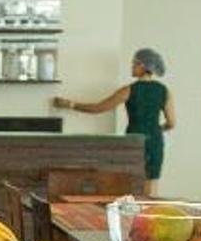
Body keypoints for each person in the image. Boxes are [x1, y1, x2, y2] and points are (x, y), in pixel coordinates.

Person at [54, 49, 174, 188]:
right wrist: (156, 129)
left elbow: (98, 108)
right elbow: (171, 123)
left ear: (142, 66)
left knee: (133, 184)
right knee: (151, 184)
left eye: (134, 64)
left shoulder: (130, 90)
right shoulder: (164, 90)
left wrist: (70, 104)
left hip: (135, 140)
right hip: (155, 141)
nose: (132, 67)